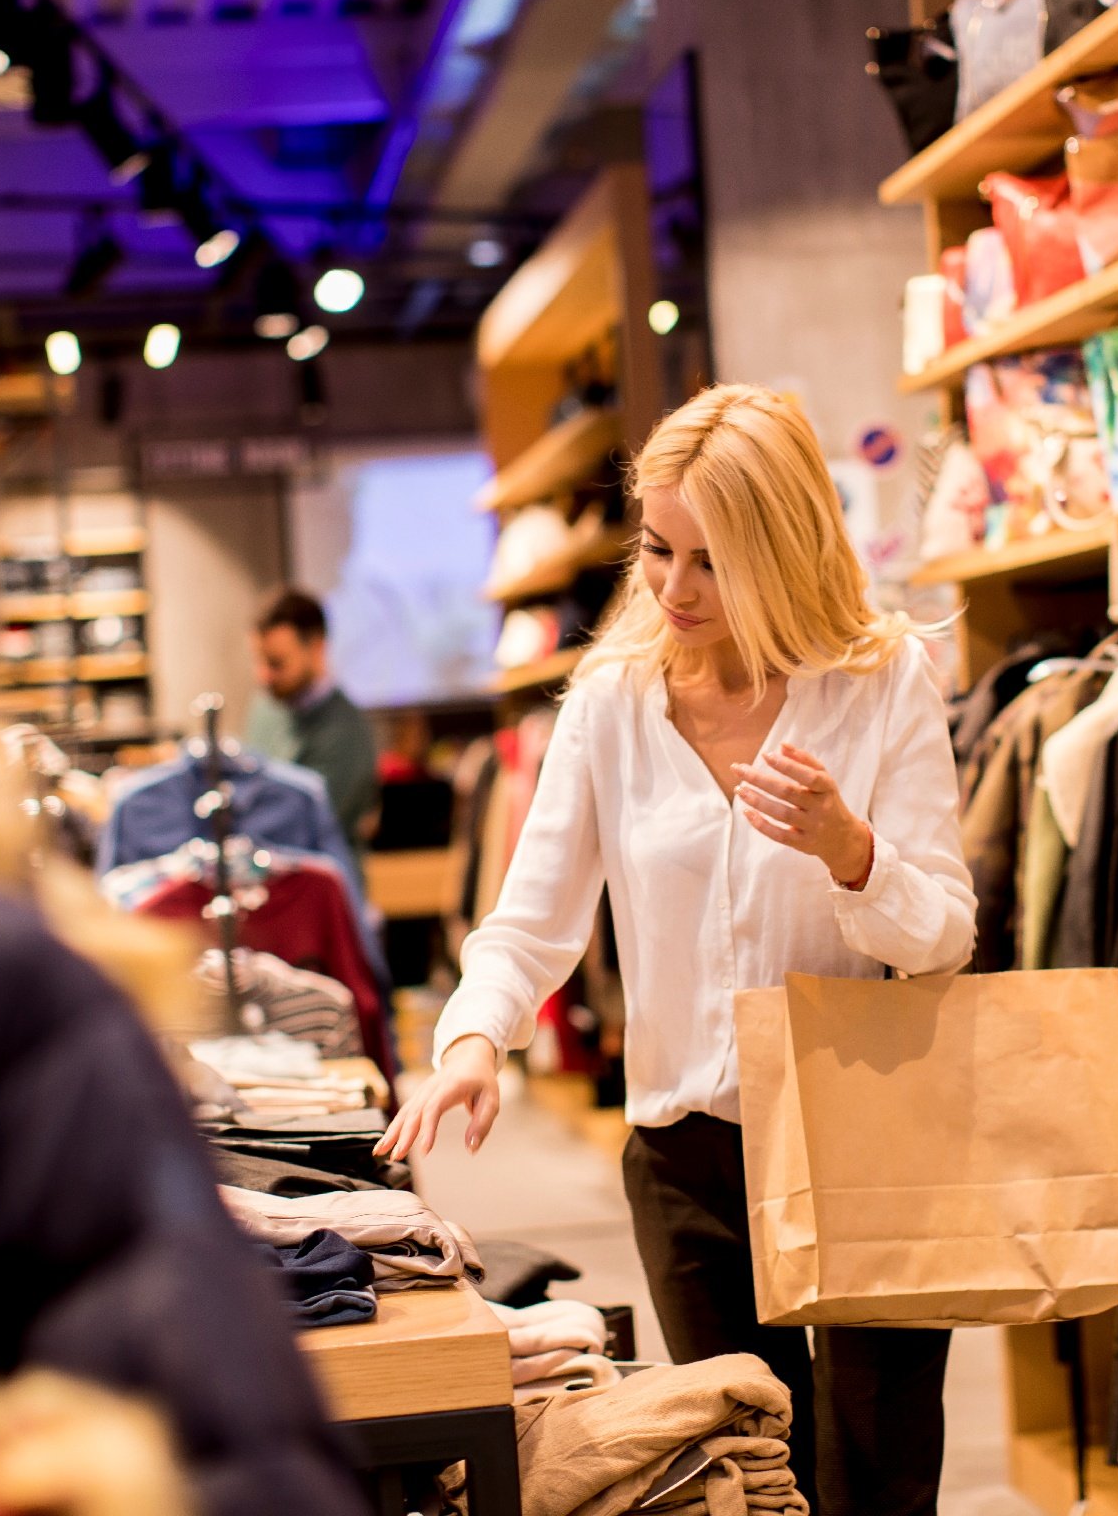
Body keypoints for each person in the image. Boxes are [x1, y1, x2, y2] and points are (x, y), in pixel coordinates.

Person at [378, 384, 976, 1516]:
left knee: (879, 1482)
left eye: (713, 558)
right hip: (687, 1157)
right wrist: (474, 1038)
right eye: (659, 548)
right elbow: (531, 919)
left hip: (860, 1136)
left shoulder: (879, 681)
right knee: (735, 1474)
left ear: (783, 548)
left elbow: (943, 932)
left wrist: (854, 853)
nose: (676, 587)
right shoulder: (612, 700)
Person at [246, 587, 380, 848]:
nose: (263, 676)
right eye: (258, 661)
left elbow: (307, 826)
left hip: (321, 883)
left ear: (316, 648)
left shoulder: (347, 732)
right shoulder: (265, 708)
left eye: (276, 663)